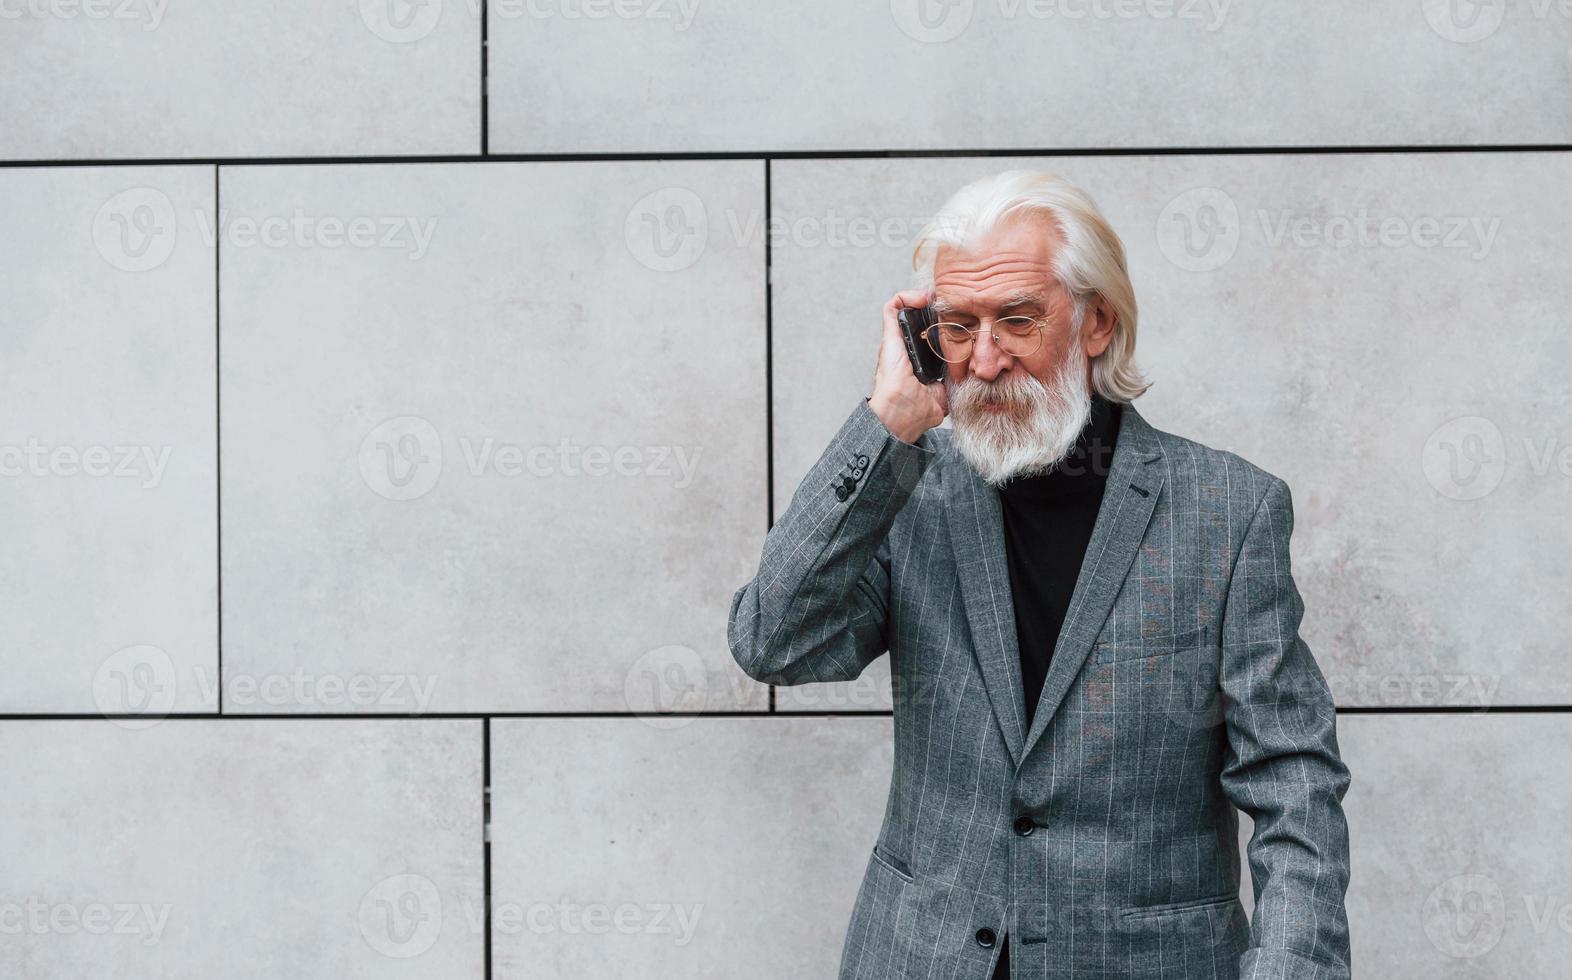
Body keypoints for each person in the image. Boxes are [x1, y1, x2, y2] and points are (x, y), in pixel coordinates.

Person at [727, 170, 1352, 979]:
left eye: (1017, 318)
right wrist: (887, 427)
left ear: (1098, 322)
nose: (984, 358)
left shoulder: (1231, 511)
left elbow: (1291, 779)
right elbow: (772, 642)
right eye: (957, 326)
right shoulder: (907, 490)